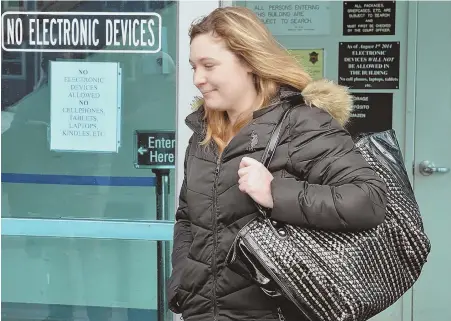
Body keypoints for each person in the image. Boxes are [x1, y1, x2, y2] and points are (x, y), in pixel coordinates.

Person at [167, 6, 387, 321]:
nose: (197, 78)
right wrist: (183, 280)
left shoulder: (301, 123)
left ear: (248, 61)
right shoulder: (203, 134)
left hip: (276, 312)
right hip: (203, 312)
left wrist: (275, 194)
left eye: (209, 65)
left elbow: (369, 199)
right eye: (193, 66)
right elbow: (188, 218)